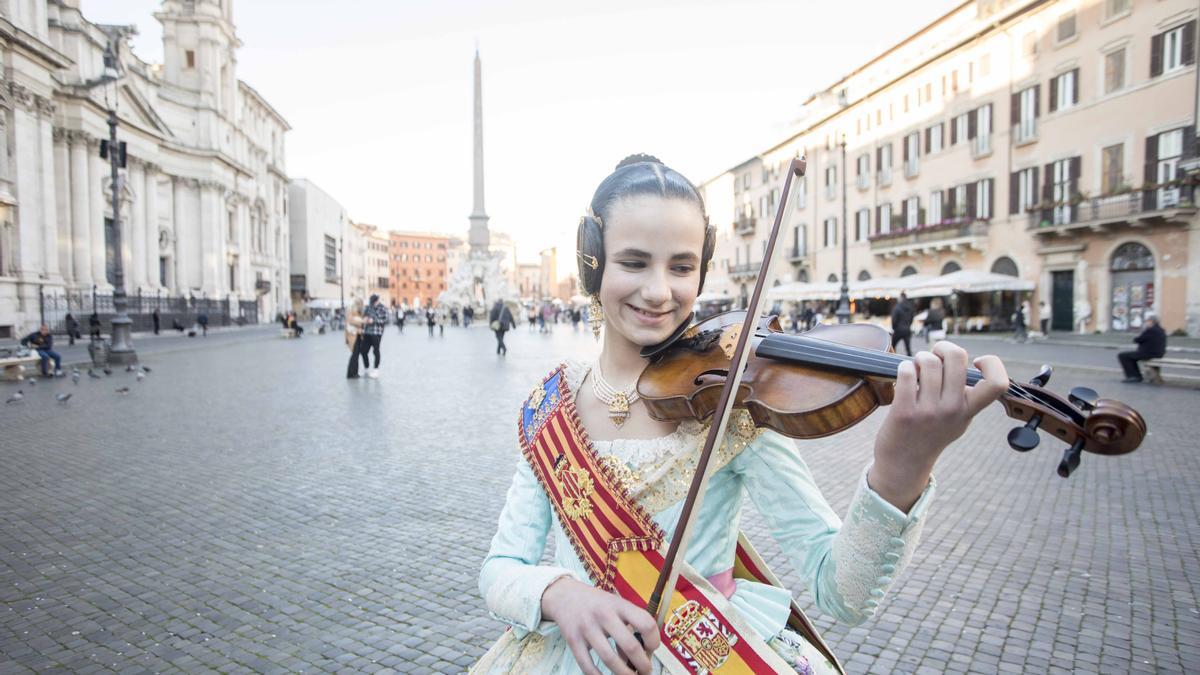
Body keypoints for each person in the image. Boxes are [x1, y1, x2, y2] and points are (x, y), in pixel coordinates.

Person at [473, 155, 1009, 674]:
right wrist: (560, 594)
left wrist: (904, 469)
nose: (660, 291)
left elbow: (841, 591)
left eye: (681, 266)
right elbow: (501, 569)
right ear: (593, 262)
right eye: (634, 262)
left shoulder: (732, 403)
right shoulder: (552, 405)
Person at [1117, 313, 1167, 383]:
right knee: (1130, 356)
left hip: (1149, 353)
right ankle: (1136, 375)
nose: (1146, 322)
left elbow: (1138, 339)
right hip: (1158, 353)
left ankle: (1133, 376)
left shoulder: (1150, 330)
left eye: (1147, 321)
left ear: (1151, 321)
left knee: (1123, 356)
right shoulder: (1161, 330)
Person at [345, 299, 371, 378]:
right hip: (353, 335)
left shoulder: (360, 312)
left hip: (359, 335)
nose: (361, 305)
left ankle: (354, 372)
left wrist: (364, 322)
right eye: (360, 304)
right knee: (354, 354)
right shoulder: (351, 310)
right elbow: (350, 321)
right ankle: (350, 374)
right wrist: (362, 322)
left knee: (356, 355)